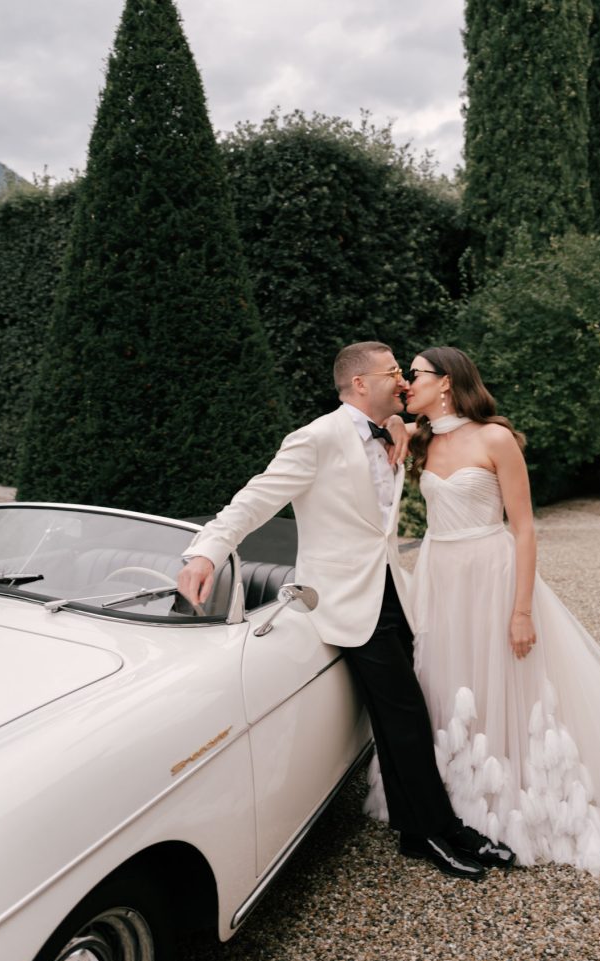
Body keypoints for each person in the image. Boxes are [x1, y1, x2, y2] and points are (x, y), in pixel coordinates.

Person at [178, 340, 515, 880]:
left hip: (391, 591)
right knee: (404, 714)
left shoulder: (396, 433)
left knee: (400, 712)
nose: (403, 380)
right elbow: (256, 497)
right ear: (360, 384)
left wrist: (402, 427)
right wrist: (206, 550)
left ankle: (415, 829)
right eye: (392, 373)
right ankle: (438, 832)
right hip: (339, 598)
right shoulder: (315, 438)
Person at [364, 345, 600, 902]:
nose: (407, 382)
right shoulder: (422, 439)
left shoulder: (495, 438)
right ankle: (452, 801)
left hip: (491, 572)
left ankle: (516, 795)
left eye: (415, 374)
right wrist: (397, 430)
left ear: (448, 382)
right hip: (441, 573)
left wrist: (522, 608)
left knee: (507, 679)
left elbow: (525, 528)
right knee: (449, 681)